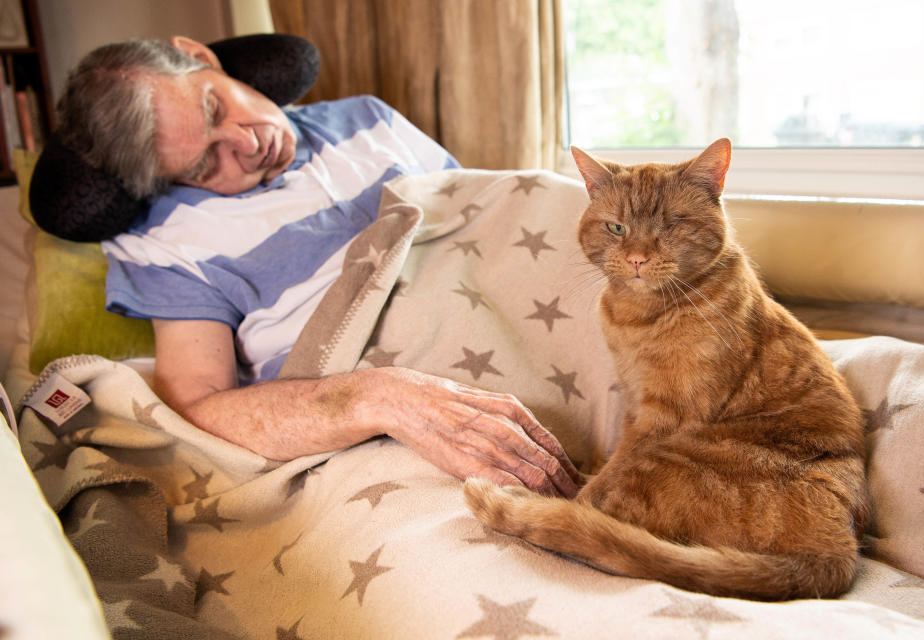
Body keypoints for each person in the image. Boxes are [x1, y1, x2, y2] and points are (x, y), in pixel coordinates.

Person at [57, 36, 580, 497]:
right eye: (204, 164)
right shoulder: (162, 243)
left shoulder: (368, 119)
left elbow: (485, 218)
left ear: (199, 56)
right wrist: (378, 397)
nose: (246, 144)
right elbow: (198, 406)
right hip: (395, 401)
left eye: (215, 107)